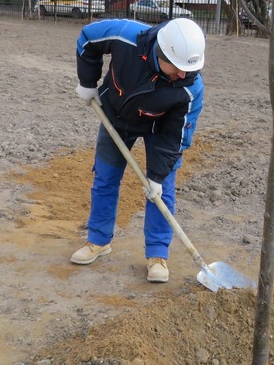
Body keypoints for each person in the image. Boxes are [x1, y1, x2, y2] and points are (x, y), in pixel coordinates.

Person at [70, 17, 206, 283]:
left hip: (160, 129)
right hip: (116, 116)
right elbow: (88, 39)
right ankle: (98, 240)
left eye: (188, 70)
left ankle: (157, 255)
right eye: (177, 68)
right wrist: (88, 83)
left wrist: (155, 176)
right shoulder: (126, 36)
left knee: (161, 190)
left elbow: (175, 139)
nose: (182, 74)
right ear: (161, 51)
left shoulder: (190, 87)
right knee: (105, 177)